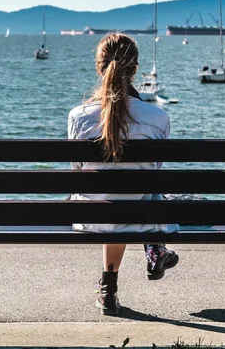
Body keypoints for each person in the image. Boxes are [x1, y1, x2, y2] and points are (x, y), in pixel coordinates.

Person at [67, 33, 179, 316]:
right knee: (146, 189)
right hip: (138, 214)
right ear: (135, 69)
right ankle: (154, 247)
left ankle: (109, 290)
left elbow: (77, 172)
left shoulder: (78, 116)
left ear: (98, 67)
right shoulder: (158, 118)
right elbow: (156, 169)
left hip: (91, 216)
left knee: (113, 199)